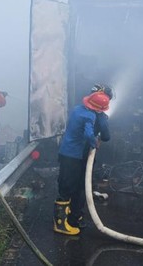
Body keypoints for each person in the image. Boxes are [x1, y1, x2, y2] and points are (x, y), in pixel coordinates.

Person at [54, 89, 111, 235]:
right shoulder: (89, 116)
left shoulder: (77, 109)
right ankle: (60, 224)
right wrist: (94, 142)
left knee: (78, 186)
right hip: (73, 156)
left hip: (70, 153)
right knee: (67, 188)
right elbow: (89, 134)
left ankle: (74, 217)